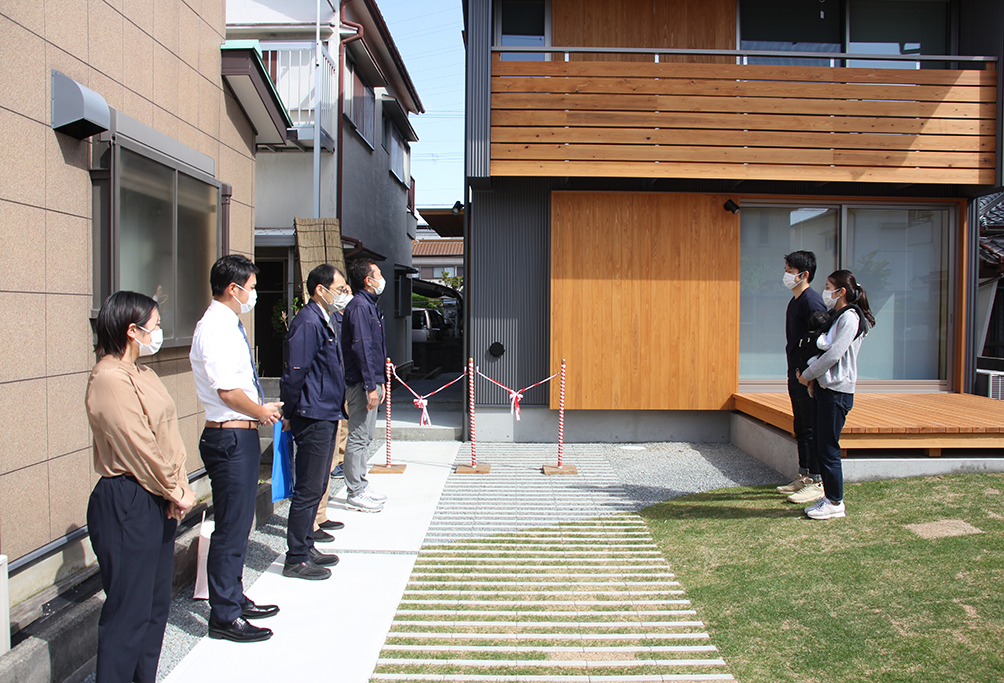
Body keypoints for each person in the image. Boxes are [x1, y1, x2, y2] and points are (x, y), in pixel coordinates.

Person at [85, 291, 197, 683]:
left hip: (156, 497)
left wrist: (176, 486)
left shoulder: (143, 374)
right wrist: (175, 490)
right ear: (132, 331)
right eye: (155, 326)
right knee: (128, 612)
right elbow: (138, 445)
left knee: (154, 606)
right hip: (126, 498)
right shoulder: (109, 378)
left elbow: (167, 435)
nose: (160, 332)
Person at [190, 254, 283, 642]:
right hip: (229, 436)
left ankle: (233, 594)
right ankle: (224, 614)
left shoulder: (228, 324)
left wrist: (258, 413)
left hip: (239, 433)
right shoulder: (214, 327)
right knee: (230, 526)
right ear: (234, 288)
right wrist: (260, 410)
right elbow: (227, 390)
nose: (254, 293)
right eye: (252, 286)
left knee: (239, 521)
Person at [280, 264, 351, 579]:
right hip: (312, 413)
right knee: (309, 487)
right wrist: (290, 411)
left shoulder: (325, 319)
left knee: (319, 482)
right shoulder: (308, 321)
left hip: (326, 411)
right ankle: (295, 556)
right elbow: (295, 373)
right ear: (320, 290)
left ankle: (306, 545)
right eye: (338, 288)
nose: (342, 294)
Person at [798, 269, 875, 520]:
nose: (825, 291)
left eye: (829, 286)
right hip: (825, 388)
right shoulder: (836, 316)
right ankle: (829, 497)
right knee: (822, 445)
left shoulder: (850, 318)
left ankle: (835, 502)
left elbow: (833, 355)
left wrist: (807, 374)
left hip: (837, 391)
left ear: (841, 291)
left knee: (829, 448)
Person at [776, 251, 828, 504]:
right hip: (795, 372)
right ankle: (804, 474)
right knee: (801, 426)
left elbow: (821, 342)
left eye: (789, 269)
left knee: (811, 427)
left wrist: (809, 374)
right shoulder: (795, 300)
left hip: (807, 376)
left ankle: (817, 480)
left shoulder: (812, 301)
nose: (786, 274)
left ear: (803, 274)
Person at [341, 259, 389, 512]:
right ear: (368, 281)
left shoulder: (369, 306)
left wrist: (380, 382)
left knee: (366, 436)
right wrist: (371, 385)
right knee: (359, 436)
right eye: (378, 275)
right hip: (362, 383)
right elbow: (361, 348)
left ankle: (361, 483)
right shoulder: (360, 306)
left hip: (372, 381)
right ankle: (355, 491)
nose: (382, 279)